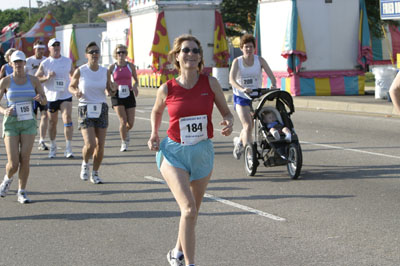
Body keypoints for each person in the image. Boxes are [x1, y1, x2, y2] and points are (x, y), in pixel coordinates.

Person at [148, 34, 234, 266]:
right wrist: (155, 133)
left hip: (202, 152)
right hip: (174, 153)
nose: (191, 54)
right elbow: (156, 111)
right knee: (187, 209)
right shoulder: (167, 88)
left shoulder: (210, 83)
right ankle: (190, 263)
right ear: (177, 56)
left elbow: (226, 111)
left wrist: (229, 121)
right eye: (186, 50)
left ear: (200, 57)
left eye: (196, 51)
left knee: (192, 212)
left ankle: (176, 252)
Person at [0, 50, 47, 203]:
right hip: (11, 123)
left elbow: (45, 101)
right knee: (13, 163)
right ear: (11, 64)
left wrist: (40, 99)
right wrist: (4, 110)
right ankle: (7, 179)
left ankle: (22, 191)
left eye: (21, 62)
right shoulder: (6, 81)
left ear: (24, 63)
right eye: (16, 62)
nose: (18, 65)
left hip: (28, 122)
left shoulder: (33, 80)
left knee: (25, 158)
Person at [69, 42, 114, 184]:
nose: (94, 54)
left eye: (96, 52)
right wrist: (75, 91)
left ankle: (95, 173)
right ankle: (84, 163)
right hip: (85, 107)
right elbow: (71, 86)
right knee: (90, 144)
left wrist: (113, 89)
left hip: (101, 107)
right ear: (86, 55)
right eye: (91, 52)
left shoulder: (104, 71)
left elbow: (109, 89)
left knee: (100, 144)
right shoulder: (81, 71)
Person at [229, 33, 277, 160]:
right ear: (241, 48)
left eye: (250, 47)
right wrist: (242, 89)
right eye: (246, 47)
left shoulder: (259, 60)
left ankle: (239, 142)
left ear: (254, 48)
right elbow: (232, 80)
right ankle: (249, 155)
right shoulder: (237, 62)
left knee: (251, 124)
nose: (248, 49)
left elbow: (271, 75)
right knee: (248, 126)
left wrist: (273, 84)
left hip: (256, 97)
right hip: (241, 97)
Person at [36, 38, 75, 158]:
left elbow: (73, 74)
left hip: (65, 95)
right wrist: (47, 77)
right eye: (54, 46)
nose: (57, 47)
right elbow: (36, 78)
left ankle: (68, 148)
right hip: (51, 97)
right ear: (49, 48)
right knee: (52, 123)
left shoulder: (67, 61)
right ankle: (53, 146)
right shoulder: (46, 63)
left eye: (58, 45)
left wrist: (75, 84)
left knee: (67, 118)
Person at [107, 44, 139, 152]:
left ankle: (125, 132)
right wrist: (111, 87)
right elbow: (106, 81)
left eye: (123, 52)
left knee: (130, 123)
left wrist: (135, 86)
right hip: (117, 95)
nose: (121, 54)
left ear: (126, 54)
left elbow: (136, 79)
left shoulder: (130, 66)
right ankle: (124, 142)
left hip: (129, 94)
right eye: (119, 52)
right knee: (123, 120)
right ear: (115, 55)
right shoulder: (112, 67)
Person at [25, 40, 49, 151]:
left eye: (42, 49)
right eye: (38, 49)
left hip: (43, 93)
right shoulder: (28, 61)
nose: (40, 51)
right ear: (34, 49)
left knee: (45, 115)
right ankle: (30, 137)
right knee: (33, 117)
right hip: (31, 94)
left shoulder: (46, 61)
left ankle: (42, 140)